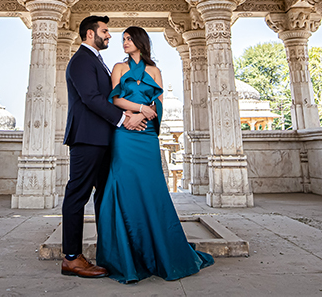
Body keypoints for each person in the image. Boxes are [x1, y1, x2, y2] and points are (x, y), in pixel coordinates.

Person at [96, 26, 215, 283]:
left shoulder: (154, 71)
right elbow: (114, 99)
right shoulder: (119, 67)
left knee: (152, 188)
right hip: (125, 133)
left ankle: (160, 251)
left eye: (129, 39)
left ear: (140, 42)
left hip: (146, 134)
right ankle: (126, 257)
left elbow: (157, 103)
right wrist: (136, 111)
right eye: (123, 39)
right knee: (123, 186)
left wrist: (144, 113)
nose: (125, 43)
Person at [61, 16, 146, 278]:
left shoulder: (96, 59)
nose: (109, 35)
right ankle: (72, 258)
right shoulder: (81, 61)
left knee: (105, 196)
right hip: (86, 138)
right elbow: (91, 98)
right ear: (90, 34)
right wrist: (125, 120)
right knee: (77, 194)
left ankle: (108, 251)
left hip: (102, 138)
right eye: (105, 31)